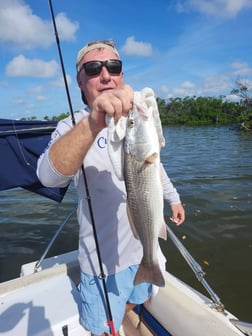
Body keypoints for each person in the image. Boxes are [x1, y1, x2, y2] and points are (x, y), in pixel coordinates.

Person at [37, 40, 185, 336]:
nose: (105, 74)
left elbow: (154, 166)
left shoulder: (136, 117)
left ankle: (120, 313)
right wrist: (95, 121)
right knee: (103, 328)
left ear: (121, 74)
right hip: (101, 263)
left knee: (136, 298)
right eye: (93, 69)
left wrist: (174, 200)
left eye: (113, 66)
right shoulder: (72, 126)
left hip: (144, 247)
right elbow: (47, 177)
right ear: (80, 80)